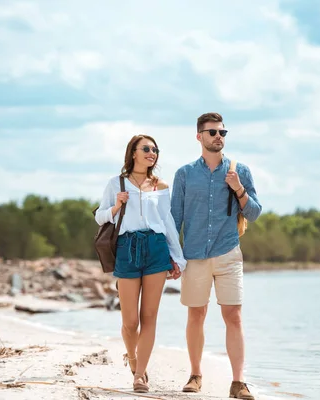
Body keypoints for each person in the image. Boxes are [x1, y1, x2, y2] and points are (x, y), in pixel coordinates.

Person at [171, 112, 262, 399]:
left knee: (233, 316)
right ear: (199, 136)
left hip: (228, 253)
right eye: (211, 132)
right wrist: (172, 257)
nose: (218, 137)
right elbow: (175, 218)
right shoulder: (184, 174)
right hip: (194, 254)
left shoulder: (241, 171)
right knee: (196, 314)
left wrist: (239, 189)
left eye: (222, 132)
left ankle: (238, 382)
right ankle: (196, 374)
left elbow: (255, 212)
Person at [94, 134, 185, 393]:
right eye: (146, 148)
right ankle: (133, 359)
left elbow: (167, 223)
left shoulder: (161, 185)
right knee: (130, 321)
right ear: (133, 152)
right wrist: (116, 206)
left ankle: (140, 375)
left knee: (149, 317)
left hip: (156, 249)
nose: (151, 153)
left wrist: (177, 258)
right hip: (127, 249)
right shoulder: (116, 183)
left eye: (155, 149)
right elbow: (100, 217)